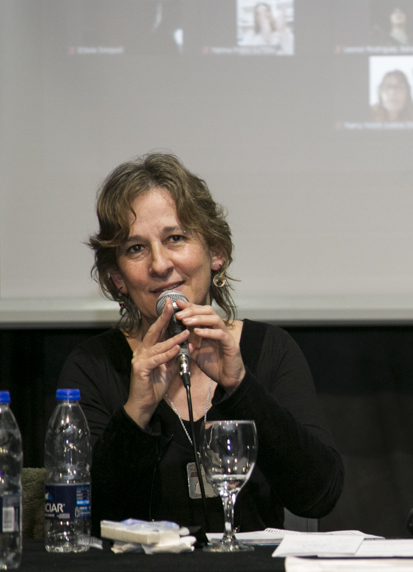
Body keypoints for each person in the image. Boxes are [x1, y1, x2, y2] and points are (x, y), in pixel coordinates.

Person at [58, 153, 344, 534]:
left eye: (175, 239)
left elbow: (318, 495)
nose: (160, 264)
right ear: (118, 279)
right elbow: (78, 519)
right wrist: (136, 412)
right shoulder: (93, 366)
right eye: (136, 248)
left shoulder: (271, 350)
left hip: (250, 571)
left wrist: (241, 386)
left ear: (216, 253)